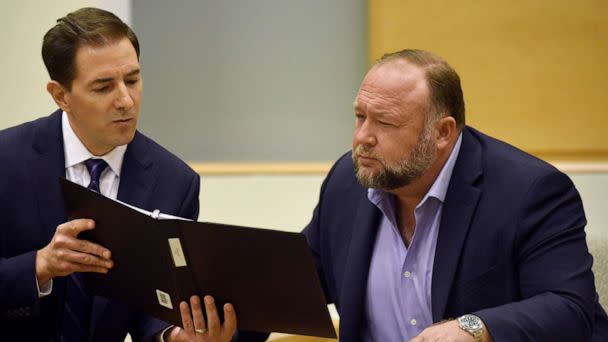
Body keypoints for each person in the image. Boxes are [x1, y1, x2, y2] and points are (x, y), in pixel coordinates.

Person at [302, 49, 608, 341]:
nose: (362, 138)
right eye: (360, 116)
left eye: (385, 122)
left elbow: (570, 309)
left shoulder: (530, 192)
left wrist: (475, 328)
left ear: (442, 133)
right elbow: (287, 289)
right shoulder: (347, 182)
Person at [0, 7, 235, 342]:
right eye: (103, 87)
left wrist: (173, 336)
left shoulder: (175, 182)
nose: (125, 100)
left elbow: (154, 305)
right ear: (60, 95)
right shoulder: (6, 160)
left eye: (133, 80)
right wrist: (38, 267)